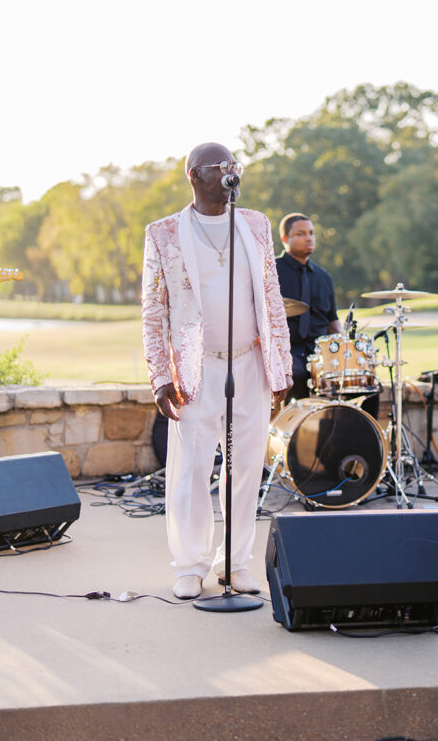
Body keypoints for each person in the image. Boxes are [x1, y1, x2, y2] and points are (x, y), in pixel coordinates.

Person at [142, 143, 292, 600]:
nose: (230, 173)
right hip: (196, 370)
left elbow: (271, 296)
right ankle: (189, 565)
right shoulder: (164, 233)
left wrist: (279, 367)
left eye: (234, 166)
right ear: (194, 175)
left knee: (246, 468)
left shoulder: (255, 224)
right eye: (220, 167)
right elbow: (154, 309)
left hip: (250, 363)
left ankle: (235, 563)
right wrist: (160, 374)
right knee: (191, 469)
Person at [274, 213, 341, 401]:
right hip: (286, 351)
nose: (308, 237)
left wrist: (344, 346)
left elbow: (332, 320)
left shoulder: (324, 277)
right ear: (285, 238)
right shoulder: (271, 271)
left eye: (311, 233)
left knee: (364, 385)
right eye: (300, 234)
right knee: (298, 375)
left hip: (319, 352)